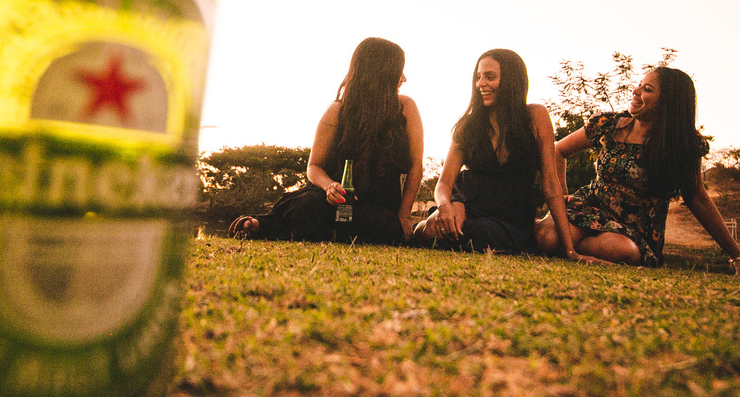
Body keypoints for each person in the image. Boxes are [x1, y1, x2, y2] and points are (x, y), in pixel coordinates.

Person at [535, 67, 740, 276]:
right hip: (589, 208)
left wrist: (737, 257)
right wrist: (562, 197)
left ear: (668, 103)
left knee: (620, 251)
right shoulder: (608, 124)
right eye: (639, 85)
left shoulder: (683, 143)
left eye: (647, 89)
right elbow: (558, 151)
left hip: (634, 230)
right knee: (546, 237)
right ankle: (561, 244)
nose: (636, 91)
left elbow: (697, 198)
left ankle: (565, 247)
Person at [228, 37, 423, 244]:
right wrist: (329, 186)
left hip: (377, 206)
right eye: (398, 71)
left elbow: (416, 167)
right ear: (381, 74)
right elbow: (314, 166)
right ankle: (262, 225)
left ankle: (296, 230)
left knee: (382, 225)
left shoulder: (406, 108)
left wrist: (403, 217)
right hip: (331, 202)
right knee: (309, 205)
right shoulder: (336, 111)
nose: (404, 78)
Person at [414, 49, 603, 260]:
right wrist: (445, 206)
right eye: (478, 77)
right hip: (468, 202)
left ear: (511, 80)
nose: (480, 84)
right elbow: (444, 183)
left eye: (490, 77)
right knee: (432, 229)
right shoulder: (468, 125)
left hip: (512, 215)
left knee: (485, 234)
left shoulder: (535, 116)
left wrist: (569, 250)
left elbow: (551, 185)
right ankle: (420, 227)